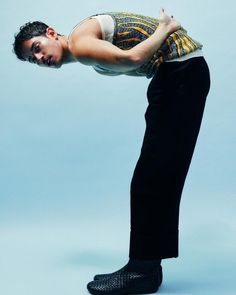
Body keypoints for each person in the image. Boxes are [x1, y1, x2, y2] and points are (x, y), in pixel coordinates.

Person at [13, 8, 211, 295]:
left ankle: (142, 271)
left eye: (37, 47)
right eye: (34, 59)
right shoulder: (83, 43)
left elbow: (131, 58)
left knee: (151, 179)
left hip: (181, 74)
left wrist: (165, 28)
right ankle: (148, 269)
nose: (40, 58)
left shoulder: (80, 45)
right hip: (178, 75)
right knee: (155, 177)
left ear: (52, 33)